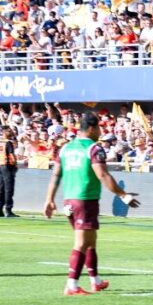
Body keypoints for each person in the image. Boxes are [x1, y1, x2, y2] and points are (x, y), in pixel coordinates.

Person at [43, 112, 140, 295]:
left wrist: (49, 199)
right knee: (81, 243)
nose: (100, 132)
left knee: (91, 241)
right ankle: (72, 285)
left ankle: (96, 281)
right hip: (85, 200)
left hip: (69, 200)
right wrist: (123, 195)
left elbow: (56, 174)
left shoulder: (65, 148)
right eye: (99, 128)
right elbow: (102, 174)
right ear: (91, 128)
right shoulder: (94, 148)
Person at [0, 125, 16, 217]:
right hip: (7, 166)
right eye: (9, 131)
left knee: (1, 188)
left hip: (0, 165)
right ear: (4, 132)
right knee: (9, 189)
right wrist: (15, 165)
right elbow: (11, 156)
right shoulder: (8, 142)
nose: (11, 132)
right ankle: (8, 210)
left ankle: (0, 209)